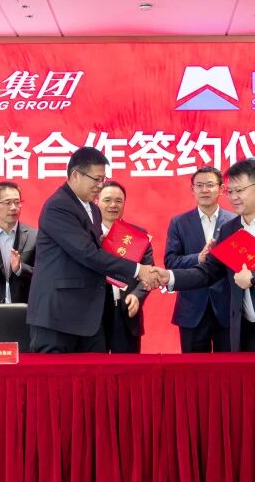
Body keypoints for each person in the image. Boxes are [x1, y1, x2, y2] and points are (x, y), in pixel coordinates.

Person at [151, 158, 255, 351]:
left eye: (239, 190)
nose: (233, 197)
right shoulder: (229, 229)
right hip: (245, 331)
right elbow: (208, 271)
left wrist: (254, 277)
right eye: (230, 191)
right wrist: (170, 277)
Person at [27, 147, 165, 353]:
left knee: (94, 372)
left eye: (103, 179)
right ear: (76, 175)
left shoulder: (92, 208)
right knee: (57, 373)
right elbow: (87, 254)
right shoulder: (58, 206)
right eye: (96, 179)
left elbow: (93, 249)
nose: (100, 185)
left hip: (88, 316)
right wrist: (138, 270)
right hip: (58, 315)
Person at [165, 166, 235, 352]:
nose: (205, 190)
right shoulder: (179, 222)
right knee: (192, 367)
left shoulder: (235, 221)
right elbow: (170, 261)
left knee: (228, 366)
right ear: (192, 189)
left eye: (210, 185)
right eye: (199, 185)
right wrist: (198, 258)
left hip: (227, 308)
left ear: (221, 189)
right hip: (191, 306)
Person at [96, 180, 153, 353]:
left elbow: (149, 271)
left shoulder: (138, 235)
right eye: (107, 200)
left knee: (127, 367)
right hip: (94, 315)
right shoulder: (87, 234)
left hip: (127, 312)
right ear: (96, 201)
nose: (113, 205)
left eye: (118, 201)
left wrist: (137, 295)